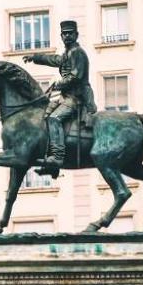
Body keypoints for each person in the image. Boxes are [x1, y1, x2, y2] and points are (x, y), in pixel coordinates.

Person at [23, 20, 96, 176]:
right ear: (61, 36)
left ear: (76, 35)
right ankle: (49, 162)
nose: (67, 36)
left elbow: (76, 76)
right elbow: (55, 60)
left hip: (77, 98)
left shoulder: (78, 52)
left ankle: (57, 157)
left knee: (54, 119)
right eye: (65, 33)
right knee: (44, 116)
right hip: (66, 97)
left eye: (70, 33)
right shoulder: (68, 53)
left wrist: (59, 84)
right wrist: (35, 57)